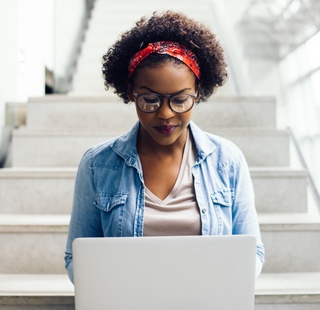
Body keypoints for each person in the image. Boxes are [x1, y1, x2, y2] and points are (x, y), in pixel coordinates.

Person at [65, 10, 264, 283]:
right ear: (129, 93)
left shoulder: (227, 160)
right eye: (149, 99)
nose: (166, 114)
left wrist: (224, 288)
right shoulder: (97, 164)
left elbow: (253, 251)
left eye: (180, 100)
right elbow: (77, 257)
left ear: (198, 92)